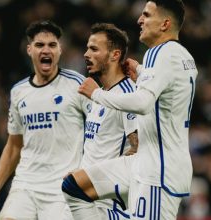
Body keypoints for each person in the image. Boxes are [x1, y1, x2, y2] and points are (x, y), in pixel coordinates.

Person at [63, 0, 198, 219]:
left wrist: (97, 94)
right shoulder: (183, 56)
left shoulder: (158, 53)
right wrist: (143, 72)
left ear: (164, 24)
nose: (139, 20)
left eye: (146, 15)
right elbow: (171, 91)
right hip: (152, 161)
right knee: (74, 186)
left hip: (157, 171)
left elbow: (143, 103)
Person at [0, 20, 89, 220]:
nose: (46, 50)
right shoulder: (19, 92)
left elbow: (99, 129)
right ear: (29, 50)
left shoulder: (77, 84)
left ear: (60, 50)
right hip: (25, 184)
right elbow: (13, 146)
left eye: (52, 45)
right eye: (39, 45)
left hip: (61, 188)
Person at [80, 22, 139, 219]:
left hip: (106, 204)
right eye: (87, 48)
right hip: (86, 196)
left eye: (94, 49)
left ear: (115, 55)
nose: (86, 54)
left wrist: (102, 176)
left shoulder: (128, 94)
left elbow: (141, 147)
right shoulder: (100, 94)